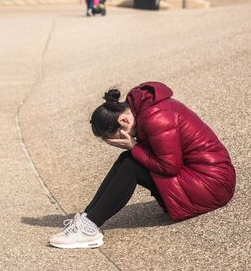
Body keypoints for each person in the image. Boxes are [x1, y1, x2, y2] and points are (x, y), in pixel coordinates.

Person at [49, 82, 236, 249]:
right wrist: (133, 148)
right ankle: (87, 219)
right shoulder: (143, 109)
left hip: (213, 184)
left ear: (123, 121)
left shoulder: (156, 118)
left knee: (131, 163)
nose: (118, 141)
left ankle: (89, 228)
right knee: (128, 158)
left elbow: (170, 167)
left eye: (115, 138)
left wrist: (133, 146)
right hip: (199, 177)